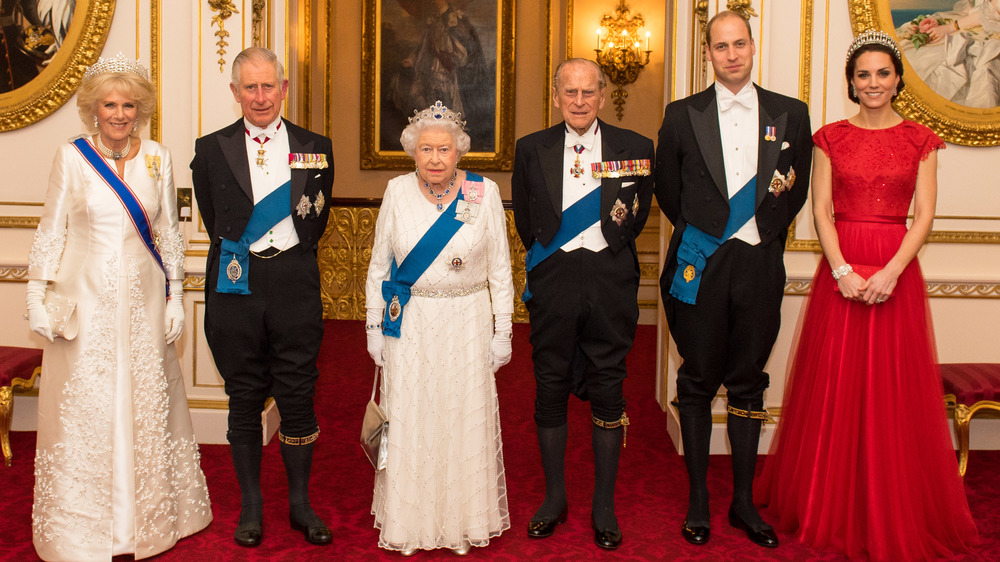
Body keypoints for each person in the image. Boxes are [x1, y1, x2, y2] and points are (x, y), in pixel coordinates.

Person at [754, 30, 980, 560]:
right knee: (837, 387)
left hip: (895, 269)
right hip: (844, 271)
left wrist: (891, 272)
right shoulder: (830, 137)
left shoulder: (921, 140)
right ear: (851, 83)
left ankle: (889, 504)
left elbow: (924, 216)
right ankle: (828, 502)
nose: (873, 82)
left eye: (882, 73)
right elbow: (821, 211)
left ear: (898, 78)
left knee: (892, 393)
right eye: (863, 75)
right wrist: (842, 270)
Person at [25, 52, 211, 561]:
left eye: (129, 104)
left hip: (146, 297)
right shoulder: (72, 156)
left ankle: (147, 523)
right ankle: (85, 527)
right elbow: (51, 229)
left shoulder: (157, 156)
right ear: (93, 109)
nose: (120, 114)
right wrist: (35, 296)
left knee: (146, 402)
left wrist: (175, 295)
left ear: (140, 109)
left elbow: (170, 235)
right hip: (86, 299)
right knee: (89, 405)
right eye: (110, 104)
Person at [655, 10, 813, 548]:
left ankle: (743, 501)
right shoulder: (681, 114)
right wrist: (709, 233)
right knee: (697, 378)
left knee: (748, 380)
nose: (732, 54)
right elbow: (668, 190)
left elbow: (796, 189)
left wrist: (759, 234)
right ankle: (698, 499)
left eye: (739, 43)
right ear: (708, 54)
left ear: (753, 45)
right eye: (720, 46)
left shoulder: (791, 113)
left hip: (759, 262)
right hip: (700, 260)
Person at [191, 46, 334, 547]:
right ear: (235, 93)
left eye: (268, 85)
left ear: (284, 88)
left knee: (298, 396)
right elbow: (213, 218)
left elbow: (316, 217)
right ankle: (251, 507)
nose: (259, 96)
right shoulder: (210, 149)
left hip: (294, 284)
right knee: (244, 396)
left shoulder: (317, 146)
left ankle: (300, 505)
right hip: (236, 285)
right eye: (249, 87)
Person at [511, 58, 654, 551]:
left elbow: (635, 218)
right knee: (549, 386)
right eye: (569, 92)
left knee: (610, 390)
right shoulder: (532, 149)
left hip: (611, 281)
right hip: (554, 283)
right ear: (555, 96)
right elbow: (527, 220)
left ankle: (604, 506)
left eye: (587, 92)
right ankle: (554, 499)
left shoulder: (635, 148)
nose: (578, 101)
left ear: (601, 95)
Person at [364, 100, 513, 556]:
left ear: (459, 152)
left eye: (443, 149)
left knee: (461, 417)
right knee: (413, 418)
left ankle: (462, 523)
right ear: (412, 151)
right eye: (425, 149)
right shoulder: (396, 191)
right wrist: (373, 325)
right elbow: (378, 267)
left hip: (467, 321)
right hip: (411, 323)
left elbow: (500, 270)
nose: (434, 158)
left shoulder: (482, 192)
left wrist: (502, 329)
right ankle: (411, 524)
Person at [896, 0, 1000, 108]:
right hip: (973, 20)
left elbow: (993, 10)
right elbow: (977, 7)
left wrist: (949, 27)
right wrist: (942, 23)